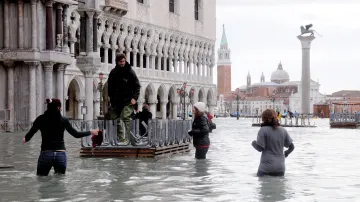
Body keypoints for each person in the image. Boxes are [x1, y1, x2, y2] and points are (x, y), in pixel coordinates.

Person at [22, 98, 98, 176]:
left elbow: (32, 132)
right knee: (60, 180)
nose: (61, 108)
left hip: (46, 153)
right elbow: (76, 134)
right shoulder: (64, 120)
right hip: (60, 155)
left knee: (41, 179)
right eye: (60, 107)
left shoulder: (41, 119)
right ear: (58, 107)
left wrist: (26, 138)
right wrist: (90, 132)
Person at [108, 53, 141, 144]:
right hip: (116, 101)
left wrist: (134, 98)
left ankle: (130, 138)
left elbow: (137, 86)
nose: (122, 63)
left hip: (128, 100)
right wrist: (111, 100)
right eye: (120, 62)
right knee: (115, 118)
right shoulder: (113, 72)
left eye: (123, 61)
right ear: (117, 62)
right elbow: (110, 88)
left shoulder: (130, 72)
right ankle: (121, 138)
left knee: (126, 116)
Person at [251, 109, 295, 177]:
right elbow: (292, 147)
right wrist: (286, 153)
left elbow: (260, 148)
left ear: (263, 118)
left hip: (266, 167)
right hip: (280, 167)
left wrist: (253, 143)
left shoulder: (263, 130)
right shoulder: (283, 130)